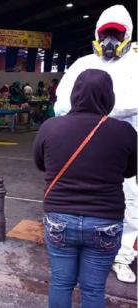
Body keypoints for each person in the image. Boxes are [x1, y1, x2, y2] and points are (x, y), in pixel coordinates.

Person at [34, 69, 136, 308]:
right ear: (108, 96)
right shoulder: (124, 132)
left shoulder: (51, 127)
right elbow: (131, 171)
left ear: (74, 95)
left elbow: (40, 164)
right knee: (93, 288)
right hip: (105, 221)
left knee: (60, 282)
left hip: (59, 218)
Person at [53, 4, 138, 283]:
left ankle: (123, 255)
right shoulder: (82, 63)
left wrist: (91, 112)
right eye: (106, 34)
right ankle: (77, 250)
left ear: (127, 34)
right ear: (97, 35)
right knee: (80, 198)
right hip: (83, 146)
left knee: (129, 199)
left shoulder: (135, 64)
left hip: (120, 148)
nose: (110, 41)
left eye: (116, 34)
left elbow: (133, 103)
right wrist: (99, 114)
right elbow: (61, 102)